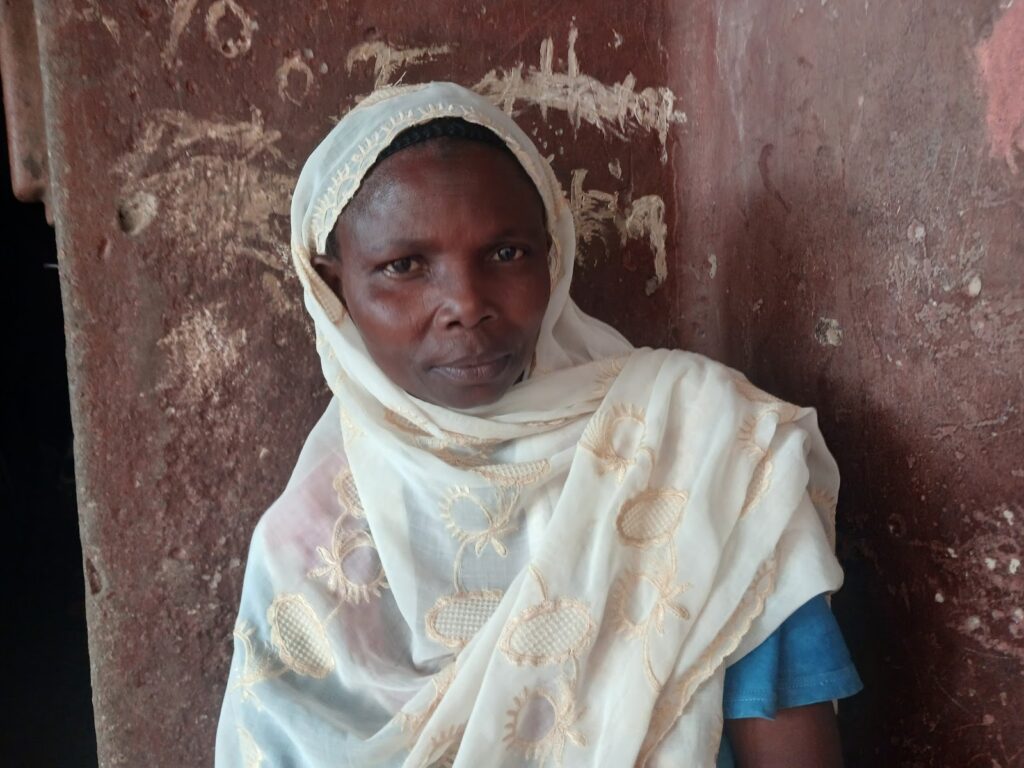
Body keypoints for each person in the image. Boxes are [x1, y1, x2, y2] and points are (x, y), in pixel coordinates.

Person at [215, 82, 861, 767]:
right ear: (333, 286)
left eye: (505, 254)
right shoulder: (308, 551)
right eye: (404, 267)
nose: (465, 304)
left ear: (553, 254)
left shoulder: (698, 446)